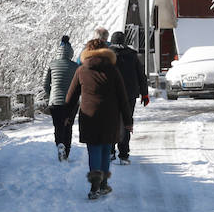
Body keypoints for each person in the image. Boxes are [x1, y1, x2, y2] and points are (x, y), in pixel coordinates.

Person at [64, 37, 132, 200]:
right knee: (105, 149)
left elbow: (71, 97)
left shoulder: (81, 70)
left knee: (93, 150)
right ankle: (103, 185)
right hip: (110, 116)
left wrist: (67, 116)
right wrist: (128, 121)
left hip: (89, 116)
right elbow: (123, 97)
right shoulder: (113, 70)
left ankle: (94, 186)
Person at [106, 31, 150, 163]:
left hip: (111, 95)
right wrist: (145, 93)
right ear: (125, 41)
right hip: (129, 95)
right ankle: (124, 155)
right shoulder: (132, 55)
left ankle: (110, 151)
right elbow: (141, 75)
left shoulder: (106, 55)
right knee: (126, 122)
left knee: (110, 122)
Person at [42, 35, 79, 161]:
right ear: (71, 53)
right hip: (71, 103)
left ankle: (60, 145)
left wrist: (51, 94)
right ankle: (66, 153)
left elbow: (45, 84)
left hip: (55, 102)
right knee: (68, 126)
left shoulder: (52, 64)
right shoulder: (76, 67)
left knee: (58, 126)